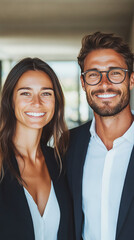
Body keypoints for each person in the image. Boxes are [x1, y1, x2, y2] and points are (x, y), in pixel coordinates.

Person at [66, 31, 134, 240]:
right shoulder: (68, 144)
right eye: (94, 74)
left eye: (115, 73)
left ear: (131, 79)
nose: (104, 84)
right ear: (83, 83)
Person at [0, 57, 75, 240]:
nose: (37, 102)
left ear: (56, 101)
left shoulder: (59, 162)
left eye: (46, 93)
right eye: (26, 93)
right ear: (11, 100)